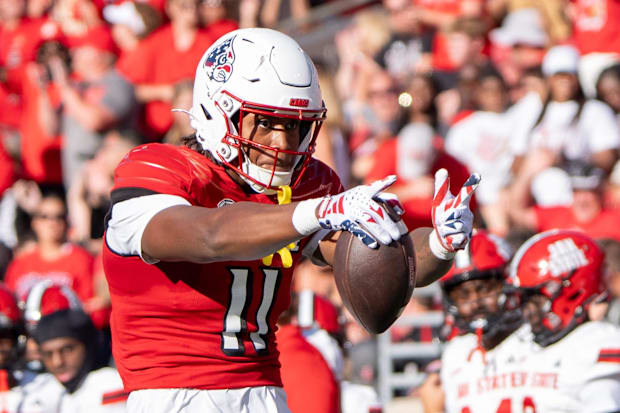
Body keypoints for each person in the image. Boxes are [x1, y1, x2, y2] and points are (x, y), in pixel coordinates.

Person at [102, 27, 480, 412]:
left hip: (267, 392)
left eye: (297, 125)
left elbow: (384, 264)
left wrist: (439, 243)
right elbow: (208, 236)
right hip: (173, 396)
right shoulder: (157, 168)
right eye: (266, 122)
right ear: (218, 111)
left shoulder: (306, 183)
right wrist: (315, 211)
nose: (283, 145)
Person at [507, 229, 620, 411]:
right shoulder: (521, 345)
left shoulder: (598, 343)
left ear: (572, 291)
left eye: (534, 298)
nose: (527, 308)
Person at [418, 230, 523, 413]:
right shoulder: (455, 354)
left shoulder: (532, 342)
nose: (475, 303)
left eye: (484, 289)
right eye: (463, 295)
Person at [10, 309, 126, 412]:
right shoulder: (45, 388)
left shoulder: (109, 383)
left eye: (67, 350)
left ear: (88, 345)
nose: (57, 362)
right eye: (48, 354)